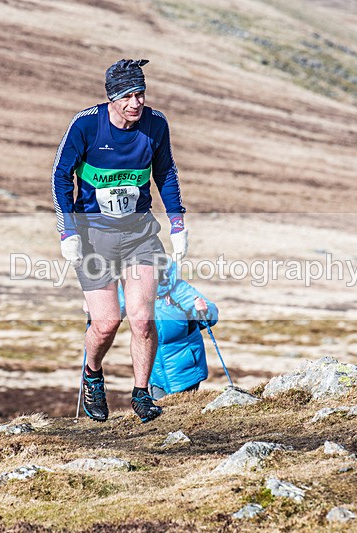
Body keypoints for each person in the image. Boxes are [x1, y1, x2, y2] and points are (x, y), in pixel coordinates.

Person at [51, 59, 188, 423]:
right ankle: (93, 375)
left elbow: (166, 173)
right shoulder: (86, 125)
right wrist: (67, 231)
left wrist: (177, 224)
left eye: (140, 94)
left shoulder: (156, 125)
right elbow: (61, 177)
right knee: (107, 323)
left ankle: (142, 394)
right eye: (127, 96)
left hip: (140, 234)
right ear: (112, 98)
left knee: (142, 319)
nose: (135, 103)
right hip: (94, 237)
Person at [118, 261, 218, 399]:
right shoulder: (129, 290)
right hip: (155, 371)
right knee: (160, 412)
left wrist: (205, 310)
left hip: (186, 368)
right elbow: (111, 312)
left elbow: (210, 316)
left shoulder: (179, 289)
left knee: (183, 412)